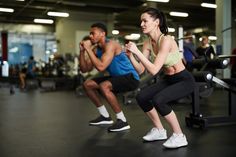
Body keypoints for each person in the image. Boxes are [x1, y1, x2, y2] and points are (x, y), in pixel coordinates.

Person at [125, 7, 195, 148]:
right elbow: (140, 70)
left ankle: (179, 136)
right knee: (142, 96)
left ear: (156, 22)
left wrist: (137, 52)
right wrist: (131, 56)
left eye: (145, 21)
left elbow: (154, 70)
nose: (141, 24)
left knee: (159, 100)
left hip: (183, 79)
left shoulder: (167, 40)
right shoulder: (147, 43)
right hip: (168, 79)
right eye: (141, 21)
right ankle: (159, 130)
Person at [79, 23, 140, 132]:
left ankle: (122, 121)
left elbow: (101, 67)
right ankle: (105, 116)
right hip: (116, 78)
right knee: (87, 84)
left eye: (93, 33)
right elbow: (84, 69)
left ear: (103, 34)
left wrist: (88, 49)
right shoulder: (96, 49)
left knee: (104, 86)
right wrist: (82, 51)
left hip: (131, 78)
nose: (91, 36)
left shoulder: (111, 44)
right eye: (90, 34)